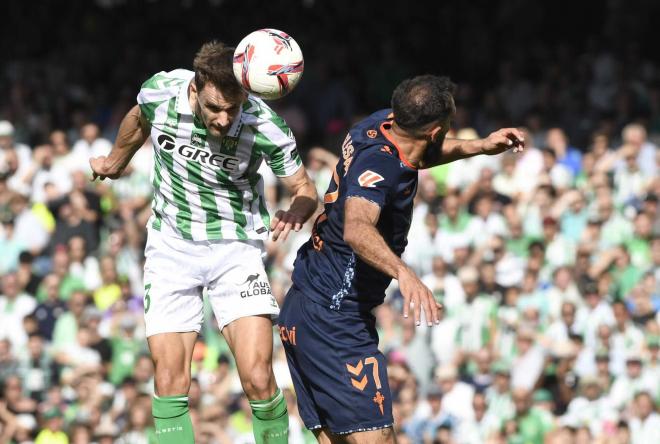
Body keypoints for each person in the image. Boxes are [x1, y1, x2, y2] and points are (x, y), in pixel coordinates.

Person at [89, 41, 318, 444]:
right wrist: (114, 162)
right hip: (171, 246)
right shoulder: (161, 90)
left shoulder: (264, 126)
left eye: (233, 108)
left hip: (236, 247)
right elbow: (138, 117)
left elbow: (304, 187)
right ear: (195, 89)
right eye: (215, 108)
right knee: (170, 379)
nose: (224, 118)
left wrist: (299, 208)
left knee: (259, 377)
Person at [278, 75, 524, 443]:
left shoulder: (381, 123)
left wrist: (481, 147)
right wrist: (404, 273)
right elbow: (357, 228)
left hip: (304, 305)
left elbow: (420, 154)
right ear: (435, 130)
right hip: (335, 317)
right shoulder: (378, 167)